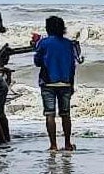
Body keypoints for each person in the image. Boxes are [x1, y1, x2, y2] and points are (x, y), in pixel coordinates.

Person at [34, 15, 82, 151]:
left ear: (48, 28)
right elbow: (72, 66)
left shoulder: (44, 43)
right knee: (65, 115)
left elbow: (37, 62)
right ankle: (67, 143)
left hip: (48, 83)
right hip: (66, 83)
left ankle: (53, 145)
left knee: (50, 114)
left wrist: (36, 45)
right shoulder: (68, 44)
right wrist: (71, 84)